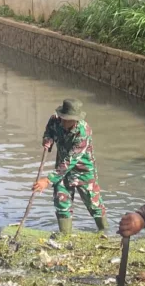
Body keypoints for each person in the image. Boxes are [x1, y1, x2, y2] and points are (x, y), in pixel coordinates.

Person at [32, 99, 107, 235]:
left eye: (67, 120)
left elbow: (69, 161)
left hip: (83, 171)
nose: (63, 122)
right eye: (62, 118)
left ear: (76, 120)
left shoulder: (83, 132)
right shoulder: (55, 120)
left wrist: (47, 180)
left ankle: (104, 232)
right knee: (61, 202)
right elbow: (50, 130)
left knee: (94, 204)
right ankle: (65, 235)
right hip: (62, 171)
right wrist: (48, 139)